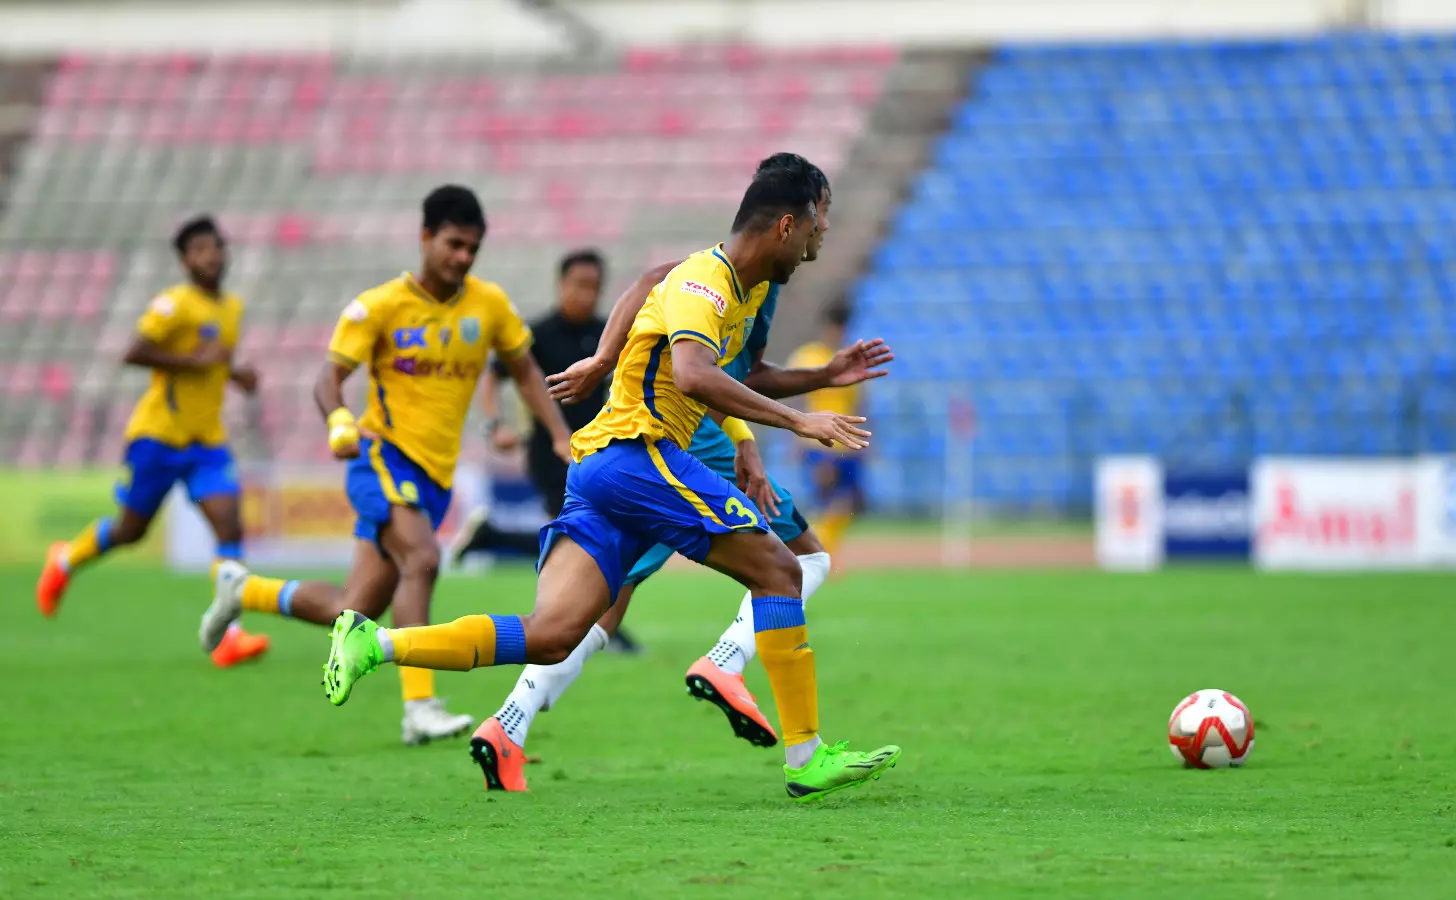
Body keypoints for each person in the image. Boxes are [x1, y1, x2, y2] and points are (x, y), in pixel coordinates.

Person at [320, 161, 901, 803]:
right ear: (788, 224)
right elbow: (694, 374)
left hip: (601, 468)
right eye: (820, 219)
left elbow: (729, 361)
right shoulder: (706, 282)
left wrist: (822, 377)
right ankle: (804, 755)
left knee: (552, 634)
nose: (824, 233)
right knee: (782, 571)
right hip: (640, 455)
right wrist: (798, 421)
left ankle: (375, 643)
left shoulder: (743, 288)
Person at [197, 185, 572, 746]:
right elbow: (328, 378)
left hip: (435, 476)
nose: (463, 257)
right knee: (422, 558)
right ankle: (419, 708)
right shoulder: (378, 306)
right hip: (382, 455)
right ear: (425, 237)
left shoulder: (489, 305)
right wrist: (338, 420)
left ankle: (243, 592)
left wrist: (559, 434)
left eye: (472, 248)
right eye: (453, 244)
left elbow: (523, 371)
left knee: (354, 608)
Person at [36, 216, 270, 668]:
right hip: (159, 437)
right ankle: (65, 559)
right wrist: (193, 362)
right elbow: (134, 351)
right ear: (184, 261)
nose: (210, 256)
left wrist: (236, 374)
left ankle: (230, 635)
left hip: (207, 442)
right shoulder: (173, 304)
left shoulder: (232, 308)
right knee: (130, 531)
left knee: (230, 526)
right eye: (199, 250)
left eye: (215, 247)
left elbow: (214, 360)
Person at [457, 248, 643, 652]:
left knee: (584, 538)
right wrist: (495, 425)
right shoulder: (537, 333)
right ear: (561, 285)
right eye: (579, 284)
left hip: (601, 452)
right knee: (577, 536)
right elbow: (494, 376)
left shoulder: (607, 333)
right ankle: (592, 626)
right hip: (551, 451)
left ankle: (494, 537)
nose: (586, 293)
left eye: (594, 286)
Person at [788, 301, 864, 557]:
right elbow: (796, 400)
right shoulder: (808, 357)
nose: (839, 333)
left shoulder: (851, 361)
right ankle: (817, 554)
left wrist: (867, 441)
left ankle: (823, 551)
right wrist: (794, 438)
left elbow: (859, 403)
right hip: (817, 442)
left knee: (848, 504)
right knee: (825, 500)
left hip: (848, 444)